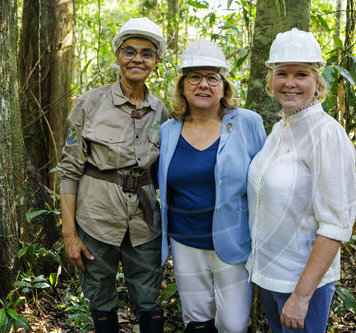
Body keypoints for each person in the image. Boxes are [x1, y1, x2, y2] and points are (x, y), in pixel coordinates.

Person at [57, 17, 167, 333]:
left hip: (144, 222)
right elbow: (69, 169)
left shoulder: (160, 110)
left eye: (147, 53)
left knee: (148, 296)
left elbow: (165, 170)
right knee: (100, 293)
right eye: (129, 51)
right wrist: (69, 233)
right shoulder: (89, 103)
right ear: (118, 55)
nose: (137, 59)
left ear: (156, 62)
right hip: (96, 217)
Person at [245, 28, 356, 332]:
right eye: (282, 73)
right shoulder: (280, 128)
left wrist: (301, 296)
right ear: (271, 80)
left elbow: (336, 225)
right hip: (269, 276)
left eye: (301, 74)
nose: (290, 82)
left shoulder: (326, 133)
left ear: (317, 82)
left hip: (302, 285)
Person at [158, 40, 267, 333]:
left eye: (212, 77)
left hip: (233, 242)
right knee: (196, 321)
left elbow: (264, 181)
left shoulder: (247, 123)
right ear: (182, 86)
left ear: (224, 86)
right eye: (194, 77)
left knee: (233, 325)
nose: (203, 85)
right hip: (184, 242)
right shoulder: (168, 131)